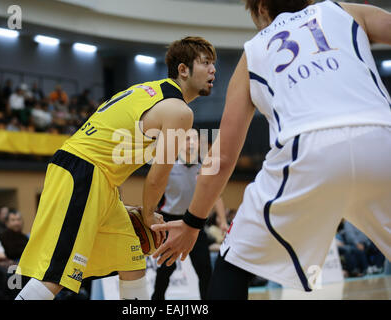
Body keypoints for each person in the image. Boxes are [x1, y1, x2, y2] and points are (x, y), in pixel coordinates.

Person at [152, 0, 391, 300]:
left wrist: (192, 222)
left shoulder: (255, 50)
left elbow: (223, 157)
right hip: (383, 138)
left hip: (307, 149)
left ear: (261, 8)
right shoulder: (343, 10)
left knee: (233, 264)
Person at [15, 36, 217, 300]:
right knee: (56, 274)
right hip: (84, 172)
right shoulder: (178, 111)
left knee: (131, 256)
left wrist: (112, 200)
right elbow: (158, 177)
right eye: (205, 63)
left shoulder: (148, 90)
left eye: (214, 64)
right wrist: (148, 215)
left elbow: (112, 147)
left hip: (98, 177)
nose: (213, 70)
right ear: (183, 69)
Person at [151, 128, 227, 300]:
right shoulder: (168, 165)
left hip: (194, 221)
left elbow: (216, 196)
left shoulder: (204, 166)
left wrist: (222, 221)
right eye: (187, 139)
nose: (191, 143)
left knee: (205, 269)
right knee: (165, 270)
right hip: (169, 221)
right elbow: (153, 190)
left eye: (194, 139)